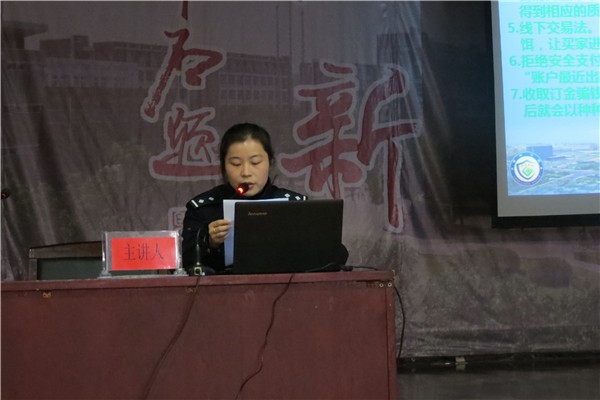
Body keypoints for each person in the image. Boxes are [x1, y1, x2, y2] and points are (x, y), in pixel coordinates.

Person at [182, 123, 347, 274]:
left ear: (270, 162)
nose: (246, 172)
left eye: (255, 162)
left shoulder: (296, 205)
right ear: (223, 166)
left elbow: (337, 256)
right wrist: (210, 241)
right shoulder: (203, 208)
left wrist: (305, 240)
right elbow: (185, 262)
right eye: (236, 164)